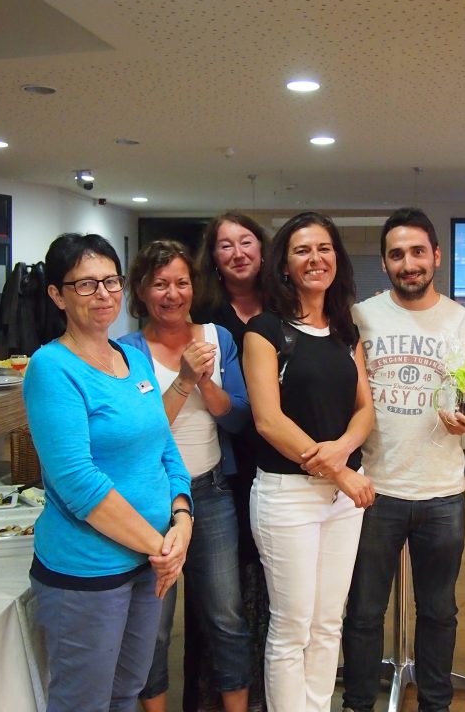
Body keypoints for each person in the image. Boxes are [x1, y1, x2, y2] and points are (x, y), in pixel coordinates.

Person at [23, 233, 193, 712]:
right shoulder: (51, 368)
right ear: (57, 294)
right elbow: (78, 481)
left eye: (111, 281)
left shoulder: (131, 357)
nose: (103, 294)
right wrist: (159, 545)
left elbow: (164, 445)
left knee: (127, 691)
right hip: (89, 570)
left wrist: (182, 517)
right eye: (86, 284)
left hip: (149, 561)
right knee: (84, 702)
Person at [341, 207, 465, 712]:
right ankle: (358, 703)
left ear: (437, 257)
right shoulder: (362, 316)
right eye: (397, 254)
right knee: (362, 612)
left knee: (440, 611)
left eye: (418, 252)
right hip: (374, 489)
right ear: (385, 263)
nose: (409, 263)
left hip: (442, 491)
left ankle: (435, 703)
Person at [244, 211, 375, 712]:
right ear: (283, 265)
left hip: (343, 499)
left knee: (327, 622)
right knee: (292, 625)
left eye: (324, 249)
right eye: (302, 250)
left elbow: (365, 409)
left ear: (337, 260)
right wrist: (339, 470)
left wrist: (343, 453)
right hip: (288, 496)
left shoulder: (345, 329)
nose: (315, 259)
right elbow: (268, 421)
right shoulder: (265, 330)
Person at [119, 240, 253, 712]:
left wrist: (206, 380)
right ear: (141, 290)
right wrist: (182, 380)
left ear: (194, 287)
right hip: (152, 500)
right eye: (159, 284)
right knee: (152, 622)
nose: (171, 294)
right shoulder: (127, 352)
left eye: (180, 282)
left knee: (226, 615)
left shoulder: (218, 337)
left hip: (212, 492)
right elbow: (142, 431)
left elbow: (237, 417)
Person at [192, 211, 272, 711]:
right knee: (218, 594)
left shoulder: (284, 309)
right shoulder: (199, 312)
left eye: (246, 242)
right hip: (218, 466)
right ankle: (207, 698)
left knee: (266, 587)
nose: (238, 252)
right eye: (226, 245)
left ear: (262, 252)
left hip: (277, 459)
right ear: (214, 258)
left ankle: (262, 695)